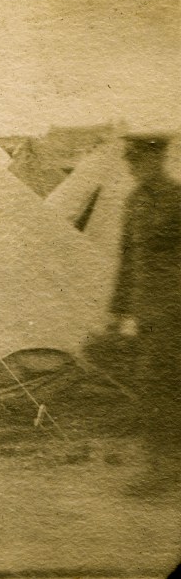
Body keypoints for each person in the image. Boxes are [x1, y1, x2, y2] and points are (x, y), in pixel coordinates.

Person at [108, 131, 181, 495]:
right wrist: (117, 311)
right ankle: (161, 465)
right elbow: (127, 260)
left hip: (175, 310)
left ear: (157, 159)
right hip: (148, 312)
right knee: (155, 386)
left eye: (136, 159)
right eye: (129, 160)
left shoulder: (177, 199)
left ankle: (162, 469)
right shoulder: (134, 201)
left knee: (162, 385)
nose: (131, 166)